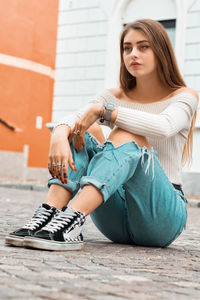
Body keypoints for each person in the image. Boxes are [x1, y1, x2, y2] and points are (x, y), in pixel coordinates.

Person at [5, 19, 199, 251]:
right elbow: (78, 117)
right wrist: (59, 134)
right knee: (79, 132)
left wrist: (106, 113)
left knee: (127, 132)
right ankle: (48, 214)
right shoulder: (112, 95)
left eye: (143, 47)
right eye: (127, 48)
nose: (133, 54)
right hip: (114, 217)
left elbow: (163, 126)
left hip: (160, 218)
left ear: (161, 51)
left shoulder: (184, 97)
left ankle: (72, 218)